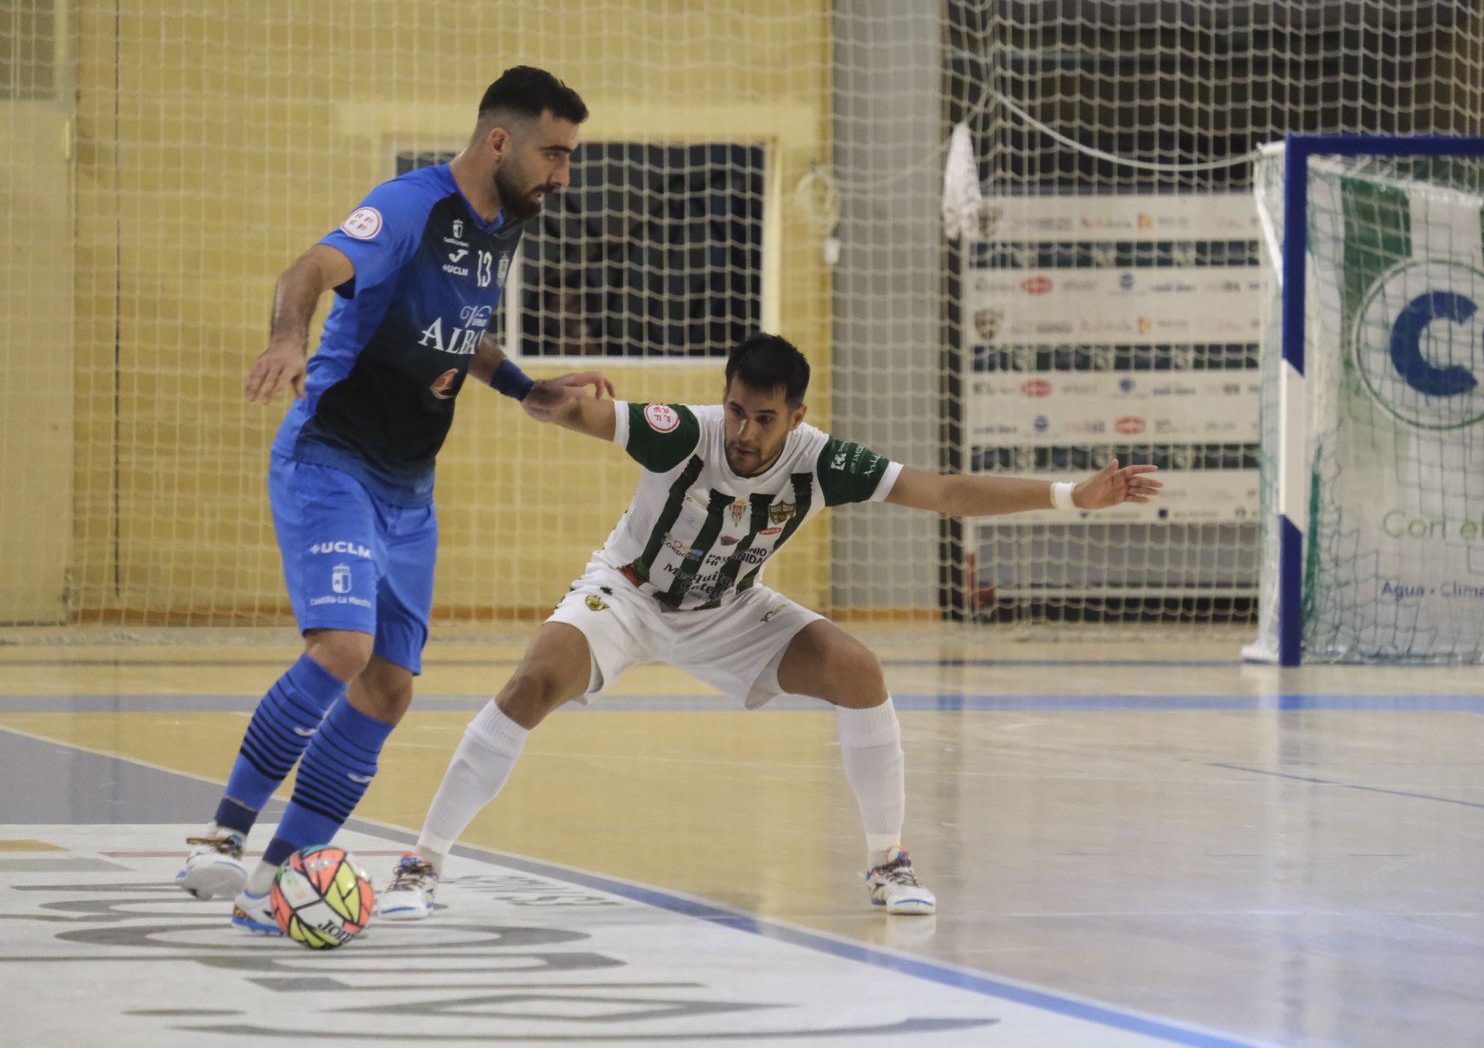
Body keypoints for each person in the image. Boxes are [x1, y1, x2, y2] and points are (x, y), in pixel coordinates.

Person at [375, 333, 1162, 920]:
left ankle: (888, 864)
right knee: (531, 683)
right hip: (629, 595)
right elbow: (575, 410)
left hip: (732, 610)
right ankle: (423, 862)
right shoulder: (684, 431)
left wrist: (1069, 496)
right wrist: (525, 381)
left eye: (765, 418)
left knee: (858, 670)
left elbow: (947, 491)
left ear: (797, 416)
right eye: (738, 412)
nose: (747, 433)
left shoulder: (822, 461)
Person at [176, 66, 614, 936]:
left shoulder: (501, 223)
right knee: (343, 645)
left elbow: (457, 326)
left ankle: (274, 885)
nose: (563, 175)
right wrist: (284, 341)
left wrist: (525, 387)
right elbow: (311, 267)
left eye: (570, 157)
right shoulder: (410, 205)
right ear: (500, 141)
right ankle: (222, 839)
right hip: (333, 458)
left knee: (387, 689)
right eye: (553, 154)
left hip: (410, 487)